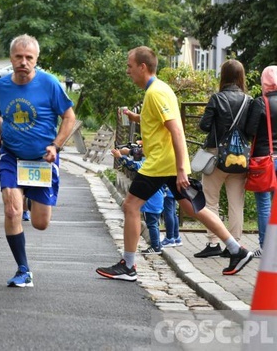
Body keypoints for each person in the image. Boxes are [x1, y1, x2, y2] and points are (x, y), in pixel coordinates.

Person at [96, 47, 253, 282]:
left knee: (130, 206)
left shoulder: (156, 92)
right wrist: (137, 118)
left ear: (142, 67)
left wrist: (181, 170)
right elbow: (159, 121)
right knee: (193, 208)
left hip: (161, 163)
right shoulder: (158, 90)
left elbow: (177, 131)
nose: (127, 71)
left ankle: (128, 265)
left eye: (130, 66)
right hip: (167, 163)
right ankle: (236, 249)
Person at [0, 34, 76, 288]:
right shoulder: (2, 86)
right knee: (12, 209)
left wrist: (56, 146)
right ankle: (23, 269)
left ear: (36, 60)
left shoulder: (50, 84)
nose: (23, 62)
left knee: (40, 223)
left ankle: (26, 195)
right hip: (11, 156)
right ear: (11, 58)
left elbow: (69, 117)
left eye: (29, 58)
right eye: (19, 57)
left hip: (41, 159)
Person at [194, 59, 249, 258]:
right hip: (240, 158)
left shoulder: (217, 99)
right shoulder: (248, 100)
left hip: (216, 155)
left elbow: (204, 126)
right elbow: (251, 129)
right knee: (236, 203)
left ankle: (213, 242)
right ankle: (234, 245)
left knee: (210, 201)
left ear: (223, 76)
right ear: (241, 77)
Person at [244, 65, 277, 258]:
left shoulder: (260, 102)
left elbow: (250, 131)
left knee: (264, 205)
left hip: (263, 159)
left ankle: (266, 248)